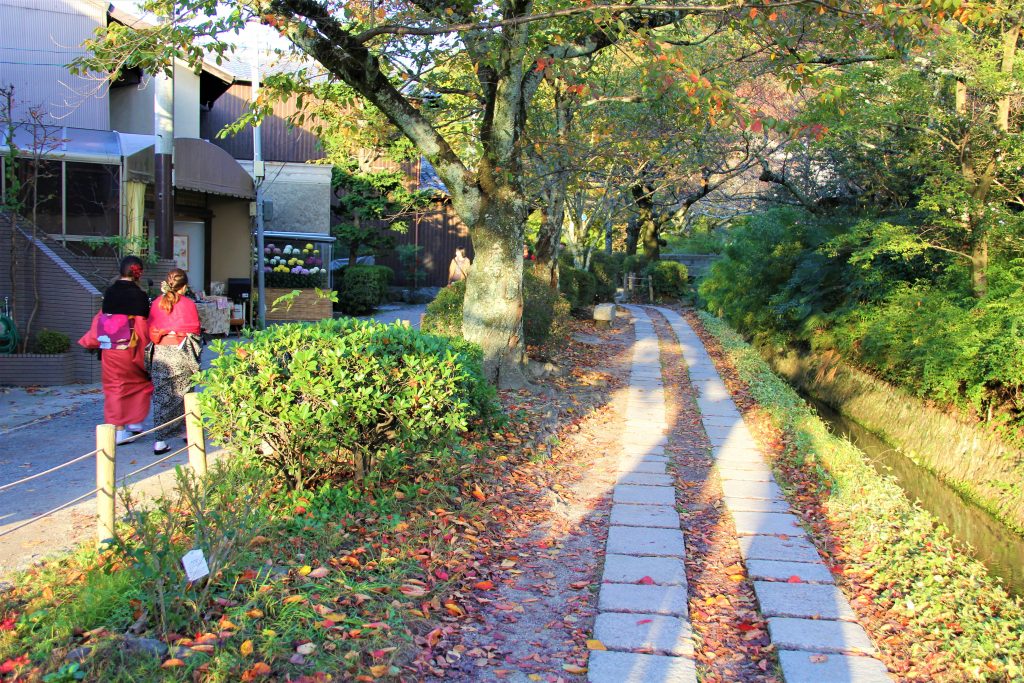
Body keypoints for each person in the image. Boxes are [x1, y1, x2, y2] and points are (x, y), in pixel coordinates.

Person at [78, 256, 152, 445]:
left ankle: (119, 430)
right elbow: (142, 325)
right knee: (141, 382)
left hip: (111, 347)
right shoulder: (140, 295)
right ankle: (135, 422)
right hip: (133, 346)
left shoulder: (110, 292)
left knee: (115, 387)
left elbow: (102, 318)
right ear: (138, 273)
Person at [147, 268, 202, 455]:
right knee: (185, 393)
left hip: (161, 353)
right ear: (184, 286)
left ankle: (160, 441)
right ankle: (187, 432)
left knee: (162, 397)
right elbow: (194, 330)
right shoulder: (188, 304)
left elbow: (151, 328)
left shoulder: (156, 303)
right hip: (181, 352)